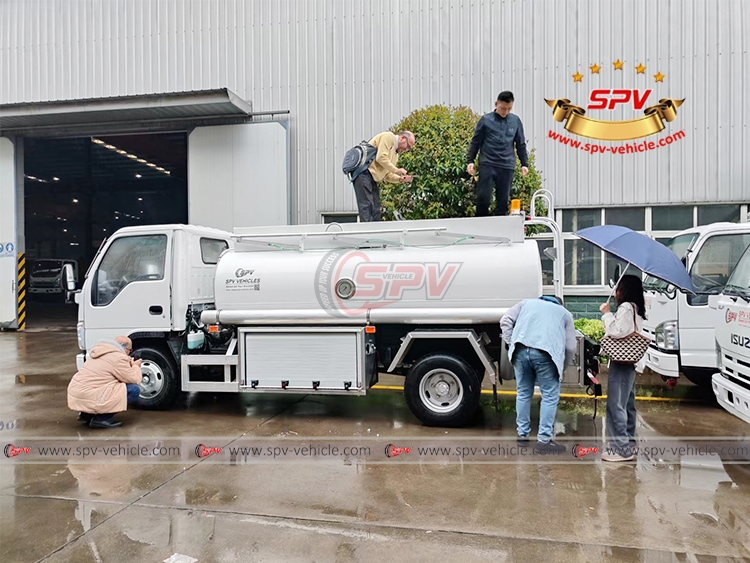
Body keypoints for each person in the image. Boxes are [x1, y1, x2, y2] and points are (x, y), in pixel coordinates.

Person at [500, 296, 578, 453]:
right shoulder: (564, 313)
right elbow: (570, 347)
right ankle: (543, 441)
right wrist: (561, 366)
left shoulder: (526, 303)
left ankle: (522, 435)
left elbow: (505, 320)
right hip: (545, 354)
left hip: (520, 351)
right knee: (549, 396)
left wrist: (511, 342)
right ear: (559, 303)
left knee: (523, 393)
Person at [599, 275, 646, 462]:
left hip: (621, 362)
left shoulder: (626, 308)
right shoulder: (636, 307)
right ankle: (628, 443)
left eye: (618, 287)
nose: (616, 290)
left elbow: (618, 332)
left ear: (624, 290)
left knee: (616, 405)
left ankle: (621, 449)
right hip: (630, 362)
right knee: (627, 404)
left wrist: (607, 313)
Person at [466, 91, 529, 216]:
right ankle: (482, 226)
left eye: (509, 109)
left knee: (503, 201)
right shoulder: (486, 120)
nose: (505, 112)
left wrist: (524, 163)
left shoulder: (515, 121)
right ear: (496, 104)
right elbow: (475, 142)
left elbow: (520, 144)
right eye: (503, 108)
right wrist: (470, 161)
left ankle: (501, 230)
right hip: (488, 163)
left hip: (506, 165)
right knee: (483, 198)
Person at [67, 336, 143, 429]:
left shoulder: (99, 352)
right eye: (129, 350)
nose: (129, 353)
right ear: (125, 348)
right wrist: (135, 366)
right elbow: (135, 379)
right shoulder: (118, 358)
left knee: (104, 385)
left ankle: (87, 415)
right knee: (134, 390)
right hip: (89, 395)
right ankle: (101, 419)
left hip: (77, 393)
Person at [352, 130, 415, 222]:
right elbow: (381, 157)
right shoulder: (389, 137)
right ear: (402, 138)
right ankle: (367, 232)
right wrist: (397, 170)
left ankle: (376, 231)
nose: (406, 149)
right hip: (364, 171)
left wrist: (400, 179)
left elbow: (387, 175)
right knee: (367, 206)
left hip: (373, 177)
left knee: (376, 207)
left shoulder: (395, 155)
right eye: (408, 146)